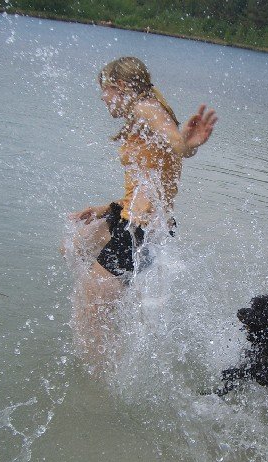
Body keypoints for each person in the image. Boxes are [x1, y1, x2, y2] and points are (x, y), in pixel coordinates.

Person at [67, 56, 217, 368]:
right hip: (130, 218)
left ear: (121, 86)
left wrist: (188, 143)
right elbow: (153, 178)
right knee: (76, 245)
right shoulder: (144, 113)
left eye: (105, 90)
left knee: (89, 311)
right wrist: (106, 209)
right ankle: (113, 305)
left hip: (141, 230)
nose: (103, 98)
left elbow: (178, 145)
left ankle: (99, 375)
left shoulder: (146, 108)